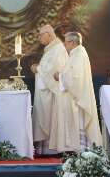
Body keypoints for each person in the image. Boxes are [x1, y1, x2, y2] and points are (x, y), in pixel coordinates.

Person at [50, 32, 102, 152]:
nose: (64, 44)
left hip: (77, 100)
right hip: (75, 98)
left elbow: (76, 78)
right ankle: (78, 150)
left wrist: (60, 76)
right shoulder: (76, 54)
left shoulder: (78, 54)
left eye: (66, 42)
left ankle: (81, 151)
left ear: (73, 42)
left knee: (79, 127)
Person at [31, 24, 68, 155]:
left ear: (49, 34)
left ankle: (51, 150)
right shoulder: (51, 49)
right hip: (44, 91)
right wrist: (39, 67)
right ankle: (43, 149)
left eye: (41, 35)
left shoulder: (58, 49)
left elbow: (54, 71)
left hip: (51, 92)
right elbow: (47, 67)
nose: (39, 38)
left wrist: (38, 69)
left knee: (50, 119)